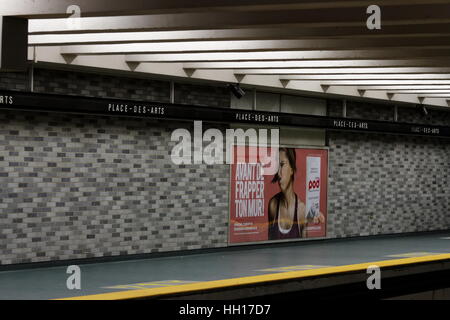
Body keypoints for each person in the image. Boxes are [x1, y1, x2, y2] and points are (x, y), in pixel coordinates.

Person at [268, 148, 324, 240]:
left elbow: (304, 247)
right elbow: (269, 242)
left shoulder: (301, 210)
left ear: (292, 169)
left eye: (282, 165)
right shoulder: (273, 205)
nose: (278, 173)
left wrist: (317, 216)